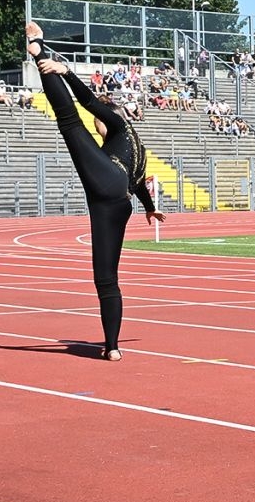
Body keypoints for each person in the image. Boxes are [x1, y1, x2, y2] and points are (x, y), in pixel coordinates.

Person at [23, 22, 164, 360]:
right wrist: (149, 207)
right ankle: (112, 347)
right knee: (106, 279)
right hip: (118, 202)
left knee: (69, 120)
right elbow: (140, 181)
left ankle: (37, 50)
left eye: (100, 121)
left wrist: (65, 71)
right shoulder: (136, 148)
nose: (97, 125)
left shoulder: (119, 124)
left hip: (110, 183)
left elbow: (87, 102)